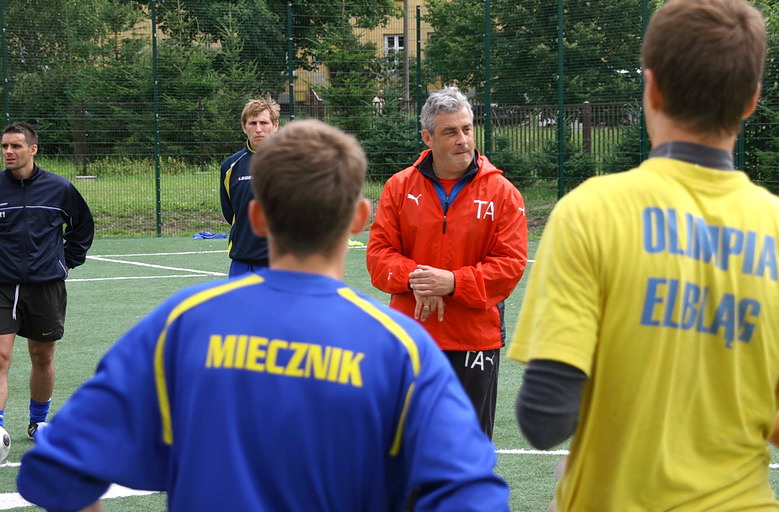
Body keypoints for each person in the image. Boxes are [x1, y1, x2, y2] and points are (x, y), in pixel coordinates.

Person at [18, 119, 509, 512]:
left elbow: (55, 468)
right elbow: (474, 496)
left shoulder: (184, 325)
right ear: (360, 218)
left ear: (255, 218)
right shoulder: (401, 348)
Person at [508, 0, 779, 511]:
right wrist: (738, 402)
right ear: (751, 100)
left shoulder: (591, 212)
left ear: (651, 89)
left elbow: (544, 420)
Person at [367, 86, 528, 438]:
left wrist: (452, 282)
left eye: (467, 129)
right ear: (428, 137)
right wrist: (420, 279)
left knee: (467, 451)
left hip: (474, 340)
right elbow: (378, 257)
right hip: (412, 337)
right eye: (450, 132)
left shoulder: (502, 193)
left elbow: (510, 266)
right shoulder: (398, 187)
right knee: (408, 448)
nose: (462, 140)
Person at [0, 122, 94, 443]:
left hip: (46, 286)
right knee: (1, 356)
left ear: (33, 149)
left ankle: (38, 422)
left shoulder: (60, 188)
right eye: (4, 147)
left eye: (15, 146)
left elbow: (82, 227)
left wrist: (66, 261)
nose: (8, 152)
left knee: (43, 356)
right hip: (3, 286)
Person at [220, 96, 279, 277]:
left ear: (275, 126)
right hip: (242, 262)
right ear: (244, 127)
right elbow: (230, 213)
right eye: (253, 123)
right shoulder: (230, 166)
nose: (258, 129)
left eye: (264, 122)